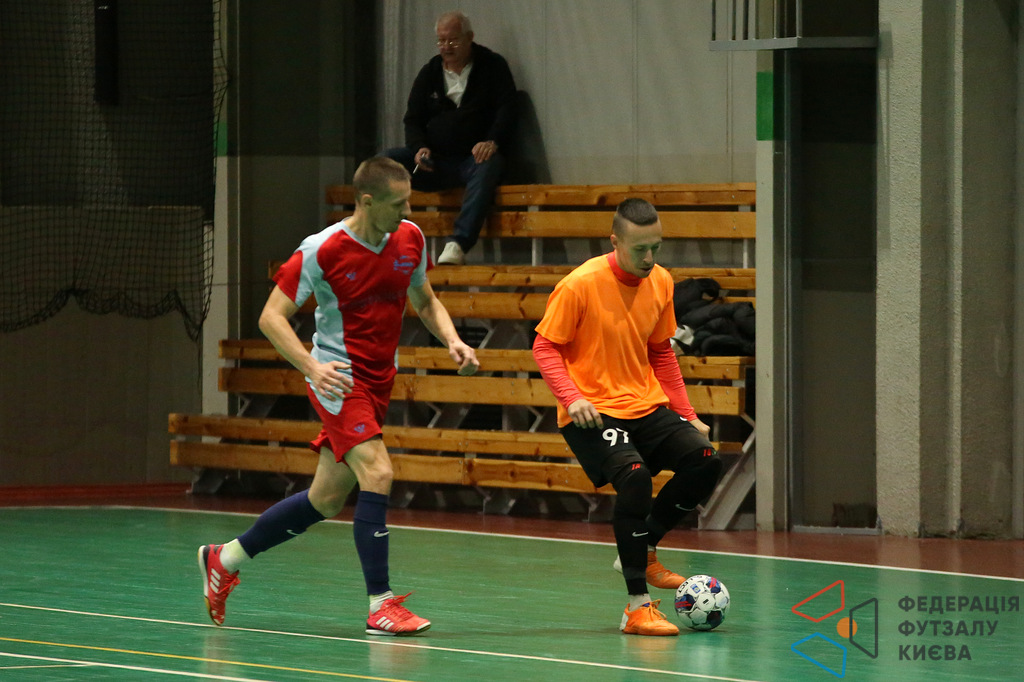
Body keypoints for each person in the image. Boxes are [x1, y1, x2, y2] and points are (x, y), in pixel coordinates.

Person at [197, 156, 480, 636]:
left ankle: (224, 559)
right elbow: (271, 317)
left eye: (408, 201)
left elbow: (425, 299)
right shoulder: (322, 249)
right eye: (398, 204)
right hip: (339, 380)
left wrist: (451, 339)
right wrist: (311, 366)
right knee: (379, 472)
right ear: (366, 201)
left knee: (326, 499)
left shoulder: (410, 238)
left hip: (380, 380)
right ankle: (381, 604)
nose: (407, 211)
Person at [532, 198, 724, 637]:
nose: (650, 258)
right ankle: (637, 607)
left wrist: (687, 414)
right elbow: (544, 347)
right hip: (592, 414)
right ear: (615, 241)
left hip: (645, 405)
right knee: (635, 479)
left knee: (705, 460)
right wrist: (572, 397)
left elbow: (661, 352)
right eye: (640, 249)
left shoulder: (661, 281)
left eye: (656, 247)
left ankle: (644, 547)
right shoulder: (579, 284)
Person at [382, 10, 517, 265]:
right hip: (434, 163)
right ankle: (381, 235)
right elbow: (413, 119)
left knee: (490, 165)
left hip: (473, 161)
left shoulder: (492, 66)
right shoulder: (430, 72)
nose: (446, 47)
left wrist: (492, 141)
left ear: (470, 38)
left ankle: (458, 244)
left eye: (453, 40)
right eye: (441, 41)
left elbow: (508, 109)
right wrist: (419, 147)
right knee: (384, 162)